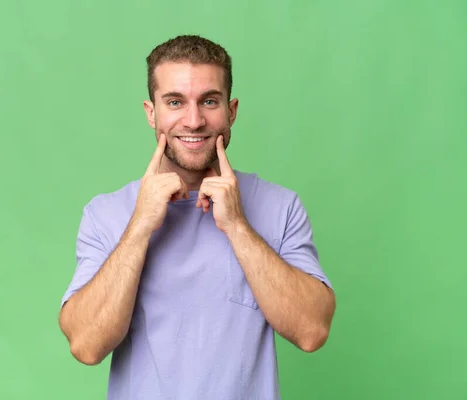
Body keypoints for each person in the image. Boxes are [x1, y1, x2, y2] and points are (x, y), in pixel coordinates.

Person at [58, 34, 336, 399]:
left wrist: (237, 226)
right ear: (151, 112)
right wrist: (140, 225)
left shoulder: (280, 206)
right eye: (175, 102)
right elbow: (86, 345)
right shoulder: (105, 214)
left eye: (209, 101)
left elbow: (312, 331)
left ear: (231, 111)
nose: (193, 120)